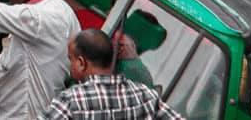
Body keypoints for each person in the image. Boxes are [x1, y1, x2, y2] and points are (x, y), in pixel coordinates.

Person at [39, 29, 185, 120]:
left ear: (81, 63)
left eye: (71, 59)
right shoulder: (144, 95)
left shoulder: (71, 101)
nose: (70, 67)